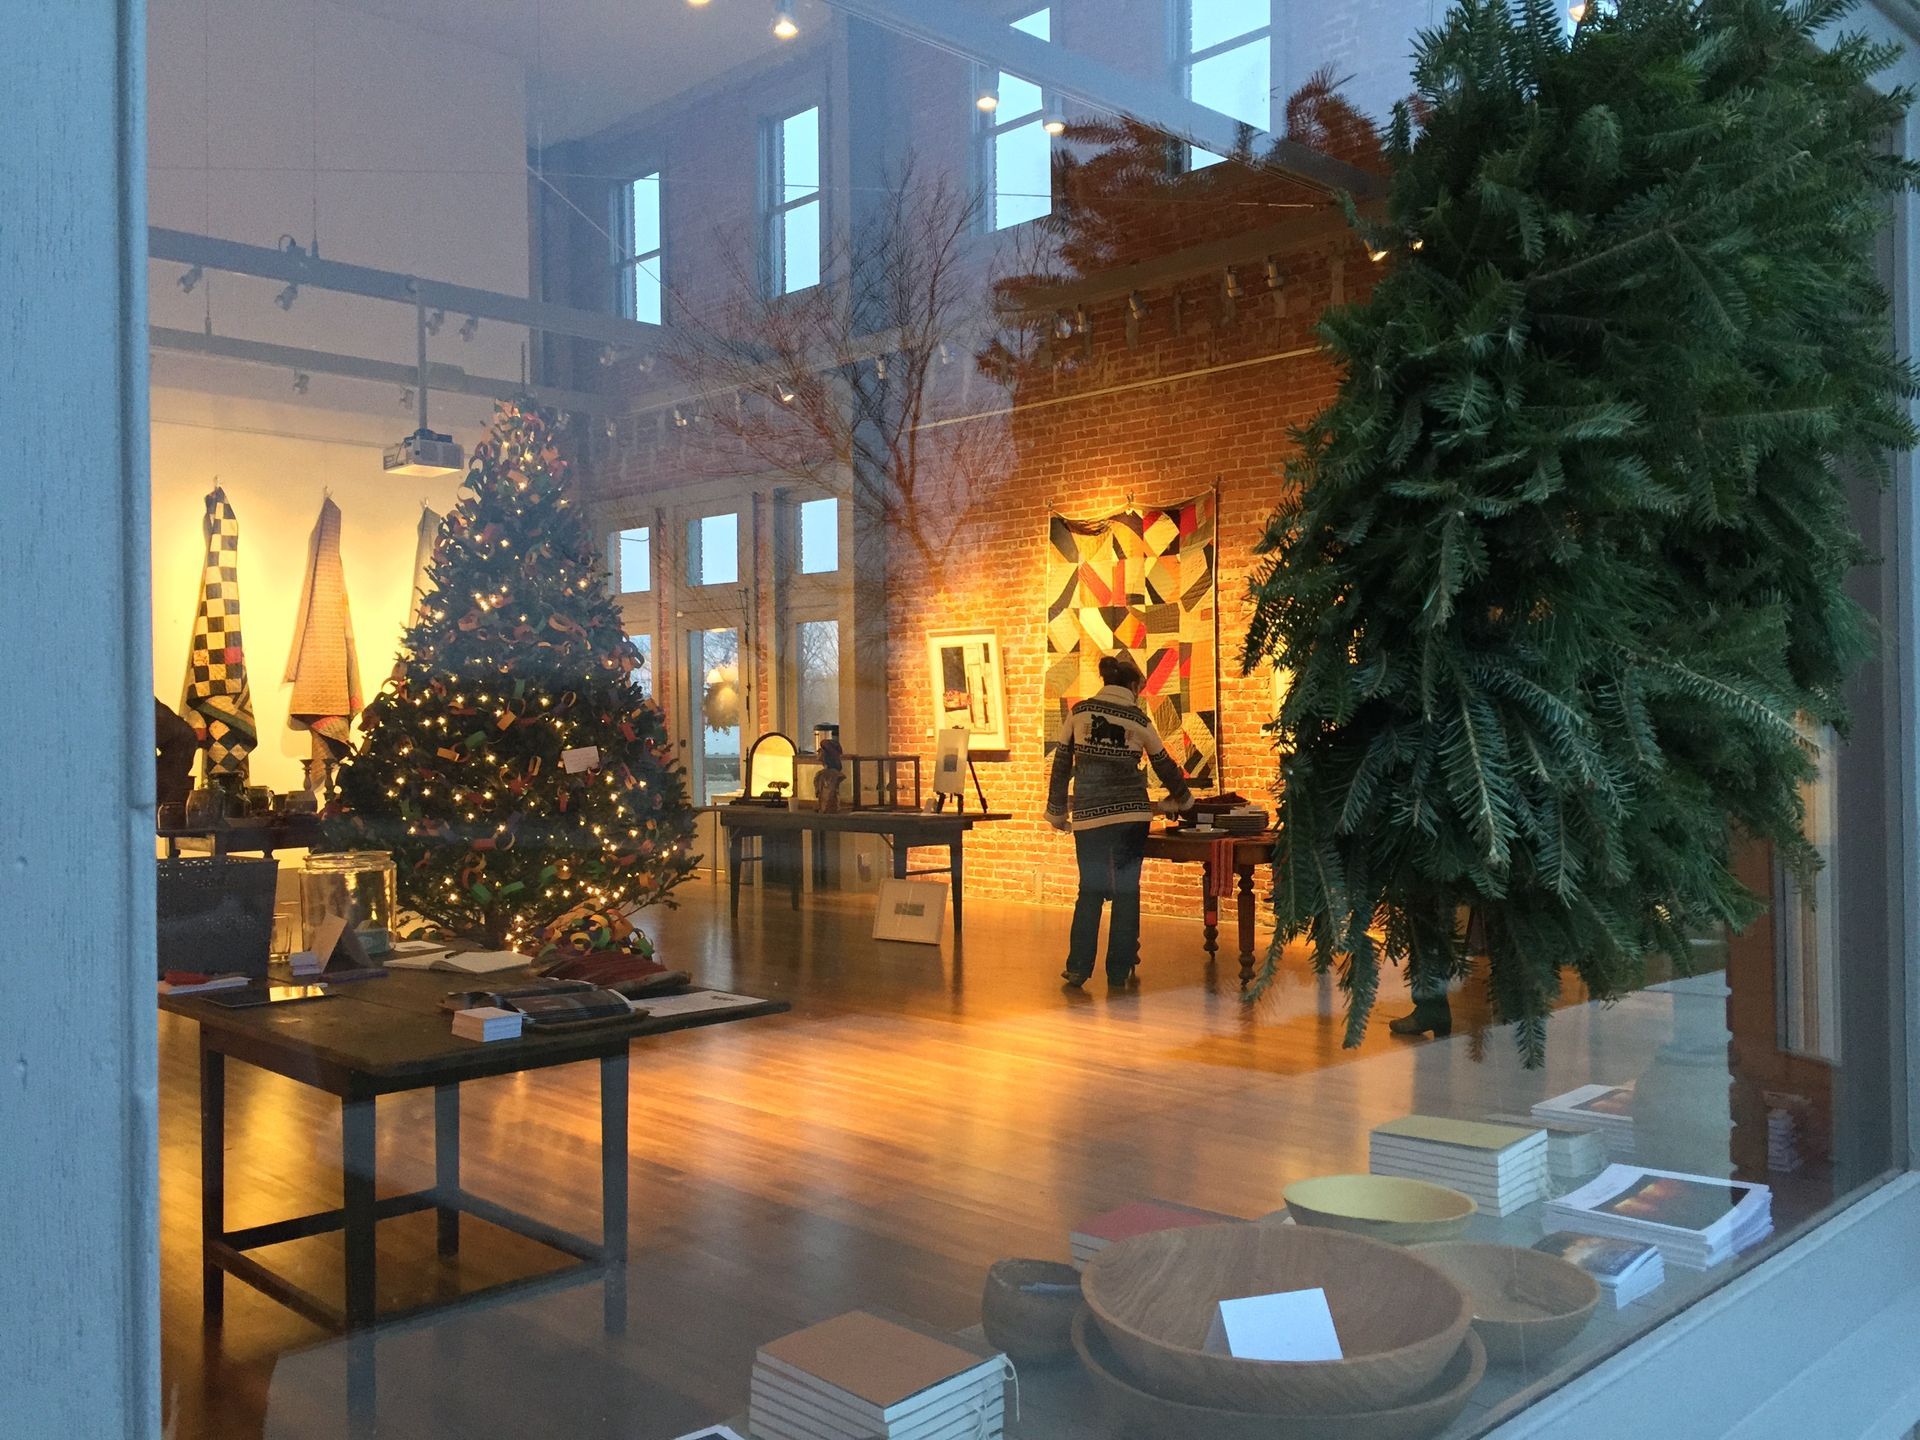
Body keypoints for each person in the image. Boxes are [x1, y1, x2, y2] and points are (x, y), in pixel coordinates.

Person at [1045, 653, 1195, 987]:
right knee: (1127, 890)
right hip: (1131, 819)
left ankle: (1078, 968)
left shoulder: (1079, 712)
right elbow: (1164, 764)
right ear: (1132, 686)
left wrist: (1056, 811)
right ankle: (1118, 970)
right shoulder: (1138, 719)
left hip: (1089, 818)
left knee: (1089, 890)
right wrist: (1183, 799)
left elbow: (1062, 764)